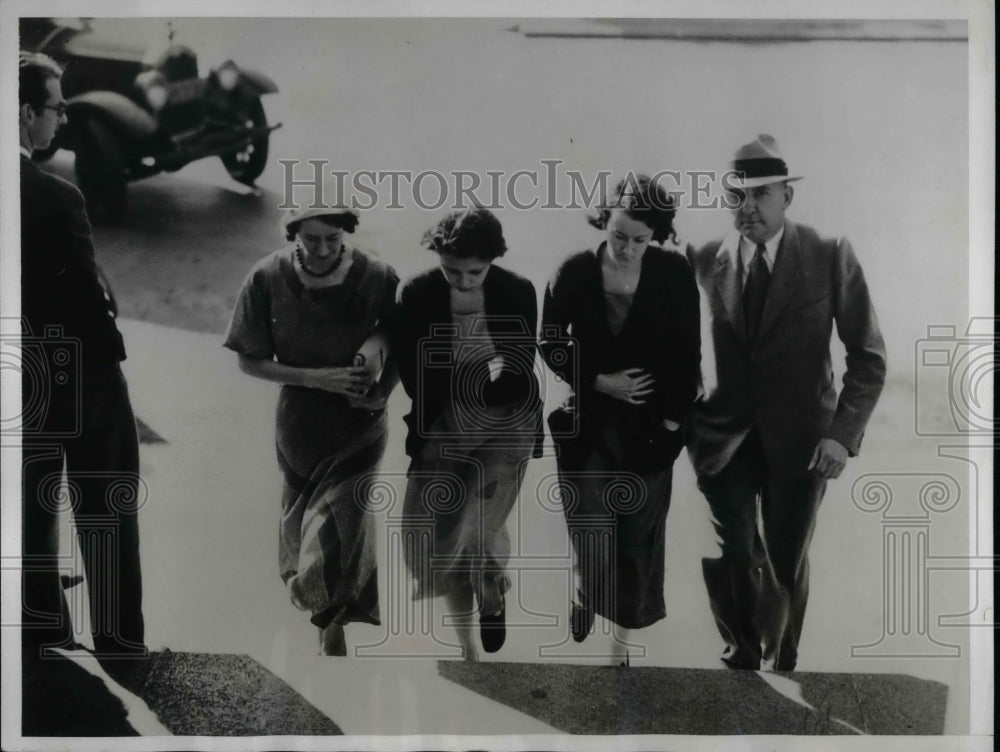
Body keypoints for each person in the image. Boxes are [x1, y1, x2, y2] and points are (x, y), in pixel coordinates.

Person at [687, 135, 886, 671]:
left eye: (760, 194)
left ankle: (780, 661)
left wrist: (842, 436)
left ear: (786, 198)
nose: (747, 207)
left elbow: (867, 357)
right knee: (732, 550)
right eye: (736, 197)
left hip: (803, 442)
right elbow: (680, 350)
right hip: (719, 437)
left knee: (784, 559)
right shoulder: (701, 258)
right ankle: (741, 651)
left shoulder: (827, 254)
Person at [540, 174, 701, 664]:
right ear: (603, 222)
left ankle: (622, 644)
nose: (628, 249)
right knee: (590, 530)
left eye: (640, 240)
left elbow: (687, 354)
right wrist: (597, 380)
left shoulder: (674, 272)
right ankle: (584, 594)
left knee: (637, 543)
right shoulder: (572, 270)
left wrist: (673, 424)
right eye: (618, 237)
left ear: (656, 235)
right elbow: (549, 341)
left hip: (651, 430)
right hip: (587, 423)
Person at [224, 205, 400, 655]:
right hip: (299, 424)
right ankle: (327, 612)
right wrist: (316, 378)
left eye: (333, 239)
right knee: (304, 527)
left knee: (343, 526)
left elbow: (402, 337)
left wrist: (382, 390)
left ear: (347, 233)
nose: (322, 249)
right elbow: (248, 359)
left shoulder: (378, 275)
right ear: (293, 234)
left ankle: (330, 622)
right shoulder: (265, 277)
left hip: (360, 425)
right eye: (311, 240)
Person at [19, 51, 146, 668]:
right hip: (73, 369)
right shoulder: (52, 195)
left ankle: (40, 629)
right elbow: (84, 302)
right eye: (55, 107)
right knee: (106, 498)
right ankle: (119, 642)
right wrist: (111, 374)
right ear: (23, 114)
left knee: (27, 502)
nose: (62, 119)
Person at [395, 207, 543, 660]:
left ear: (494, 259)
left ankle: (492, 593)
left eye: (475, 272)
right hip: (445, 420)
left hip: (508, 420)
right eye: (451, 271)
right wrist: (474, 382)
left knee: (479, 525)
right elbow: (415, 377)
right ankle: (466, 647)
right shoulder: (417, 292)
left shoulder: (517, 290)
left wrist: (483, 380)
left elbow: (518, 371)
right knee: (435, 534)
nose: (462, 282)